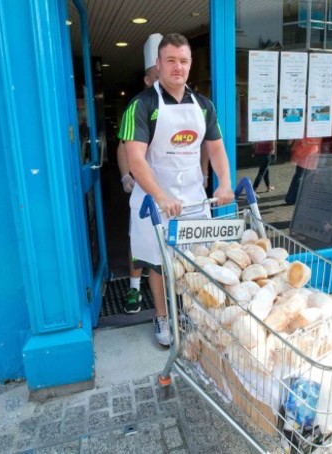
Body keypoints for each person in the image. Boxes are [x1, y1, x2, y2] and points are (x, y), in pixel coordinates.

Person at [119, 33, 234, 347]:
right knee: (159, 263)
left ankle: (193, 314)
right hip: (154, 202)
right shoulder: (141, 106)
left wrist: (224, 183)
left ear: (190, 64)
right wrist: (161, 196)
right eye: (170, 60)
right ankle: (162, 315)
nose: (177, 67)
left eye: (183, 61)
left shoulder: (204, 106)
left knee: (197, 260)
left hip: (194, 200)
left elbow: (216, 149)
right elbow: (135, 158)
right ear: (158, 64)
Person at [116, 33, 162, 314]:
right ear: (147, 80)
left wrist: (204, 175)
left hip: (176, 189)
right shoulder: (138, 107)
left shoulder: (189, 104)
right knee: (139, 239)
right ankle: (134, 289)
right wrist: (125, 176)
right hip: (145, 187)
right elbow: (123, 147)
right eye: (158, 74)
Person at [284, 136, 321, 205]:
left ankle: (292, 198)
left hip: (305, 154)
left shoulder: (304, 128)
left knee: (299, 177)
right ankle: (297, 198)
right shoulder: (316, 129)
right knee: (304, 178)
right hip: (311, 153)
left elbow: (290, 141)